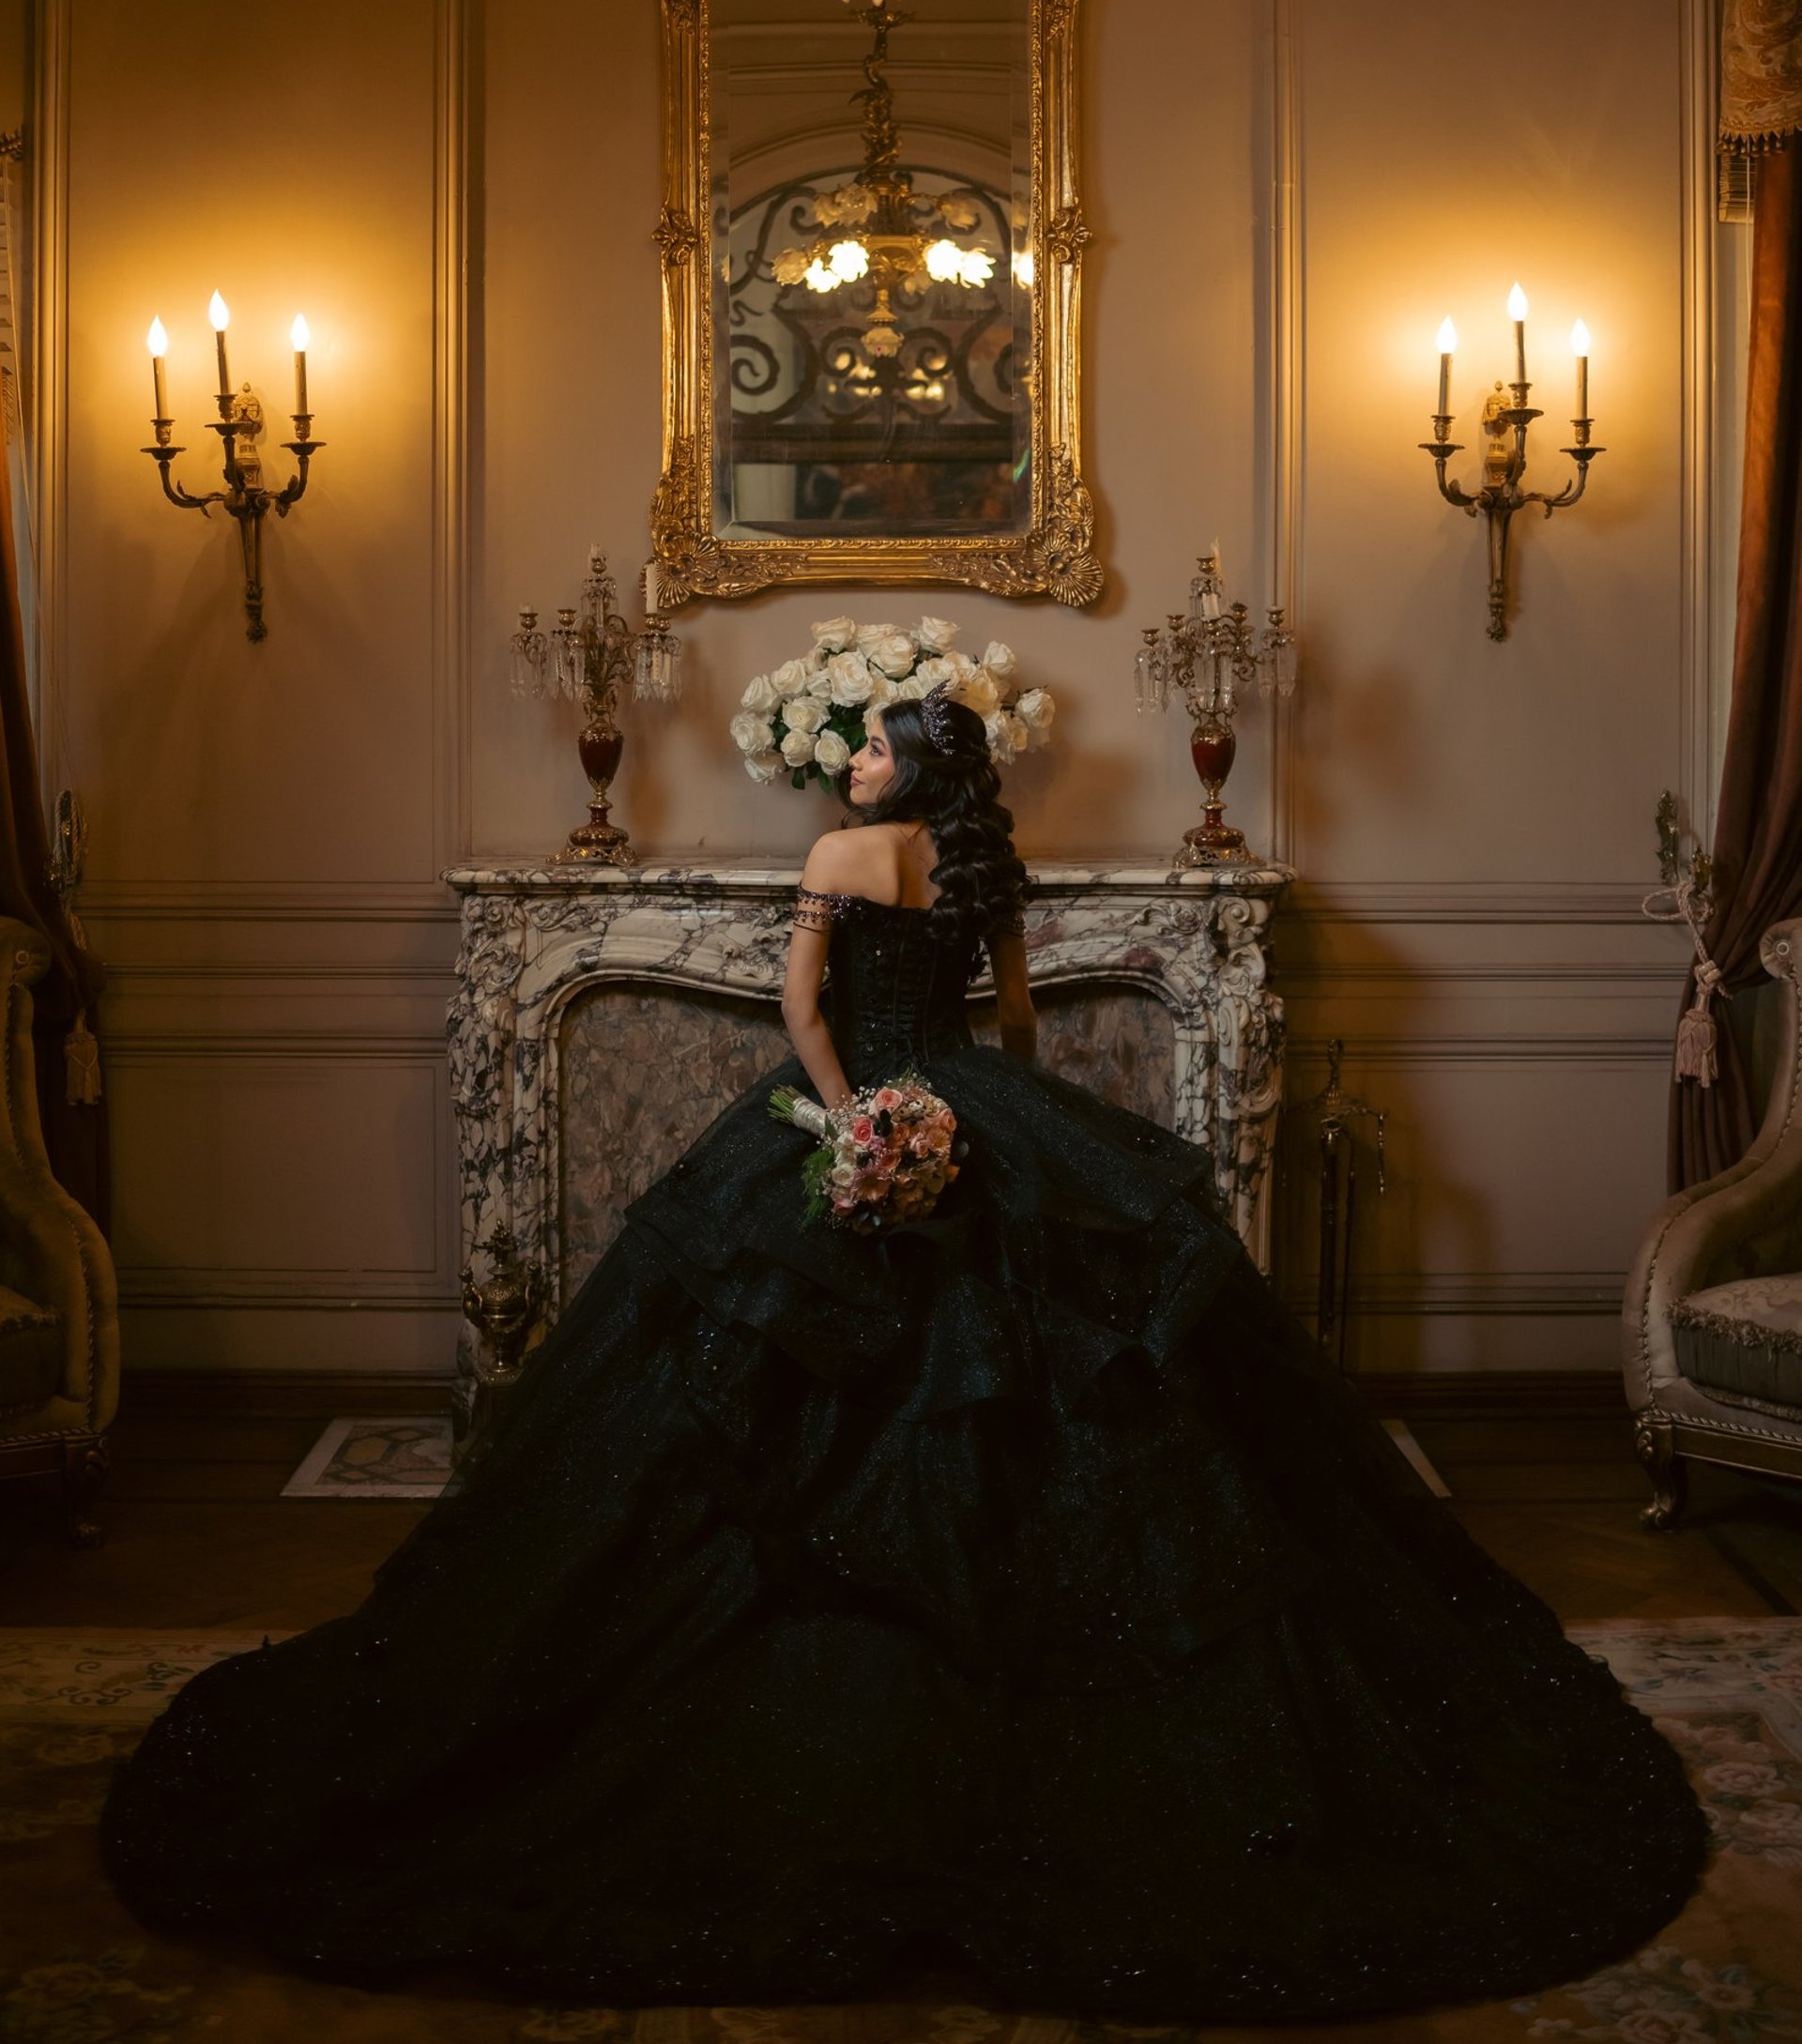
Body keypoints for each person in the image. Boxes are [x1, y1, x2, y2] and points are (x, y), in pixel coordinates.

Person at [99, 688, 1705, 2021]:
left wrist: (854, 1108)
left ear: (903, 766)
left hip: (862, 1109)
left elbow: (799, 1002)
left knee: (767, 1410)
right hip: (983, 1122)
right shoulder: (981, 867)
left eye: (868, 741)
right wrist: (987, 1131)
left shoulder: (840, 849)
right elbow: (1016, 1027)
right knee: (1044, 1405)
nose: (852, 759)